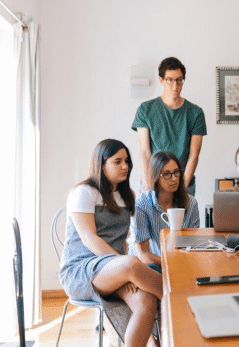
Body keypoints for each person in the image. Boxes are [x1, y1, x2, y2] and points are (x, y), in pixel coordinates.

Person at [59, 139, 162, 347]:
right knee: (133, 263)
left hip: (114, 271)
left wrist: (125, 270)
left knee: (146, 303)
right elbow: (90, 239)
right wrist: (125, 268)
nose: (125, 166)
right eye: (117, 161)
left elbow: (121, 241)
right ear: (102, 164)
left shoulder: (126, 196)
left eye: (127, 161)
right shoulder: (84, 192)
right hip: (81, 271)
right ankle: (182, 301)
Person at [132, 57, 207, 196]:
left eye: (179, 80)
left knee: (183, 218)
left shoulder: (196, 113)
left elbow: (194, 154)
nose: (175, 85)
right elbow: (144, 152)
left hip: (183, 182)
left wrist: (182, 188)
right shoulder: (145, 110)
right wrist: (148, 186)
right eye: (170, 80)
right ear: (161, 80)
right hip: (153, 181)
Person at [131, 151, 200, 272]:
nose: (174, 178)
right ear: (156, 176)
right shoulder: (141, 205)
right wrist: (172, 264)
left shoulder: (191, 203)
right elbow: (144, 255)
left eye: (176, 172)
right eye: (167, 174)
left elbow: (193, 245)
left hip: (182, 263)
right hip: (151, 266)